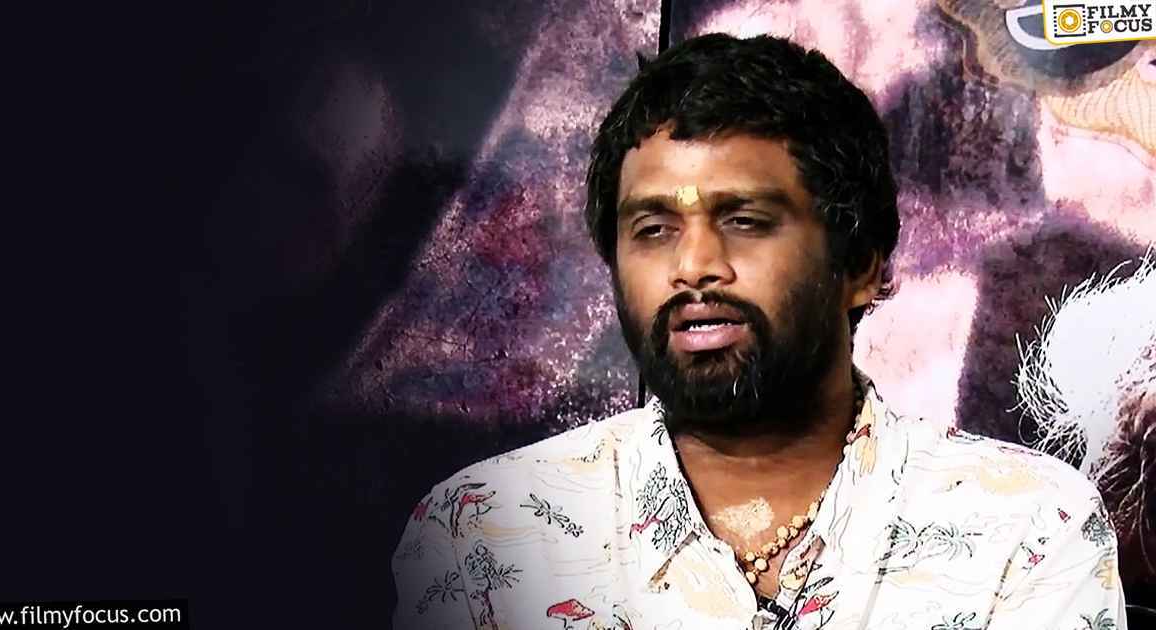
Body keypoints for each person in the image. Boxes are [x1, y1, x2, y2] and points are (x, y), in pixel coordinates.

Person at [391, 33, 1126, 630]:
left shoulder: (1023, 529)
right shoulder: (484, 533)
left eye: (744, 220)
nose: (693, 267)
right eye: (653, 229)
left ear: (860, 264)